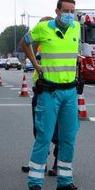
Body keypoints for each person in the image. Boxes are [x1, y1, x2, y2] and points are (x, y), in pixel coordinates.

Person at [21, 0, 84, 190]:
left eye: (72, 10)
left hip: (70, 92)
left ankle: (65, 183)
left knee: (68, 139)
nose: (69, 14)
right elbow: (25, 42)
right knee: (44, 137)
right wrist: (35, 64)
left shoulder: (76, 27)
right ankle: (35, 184)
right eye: (66, 10)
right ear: (57, 11)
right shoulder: (43, 28)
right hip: (49, 92)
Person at [20, 17, 59, 176]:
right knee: (39, 129)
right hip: (40, 90)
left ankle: (58, 163)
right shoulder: (41, 46)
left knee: (57, 131)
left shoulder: (59, 43)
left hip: (56, 91)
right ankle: (39, 162)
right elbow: (25, 42)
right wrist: (35, 64)